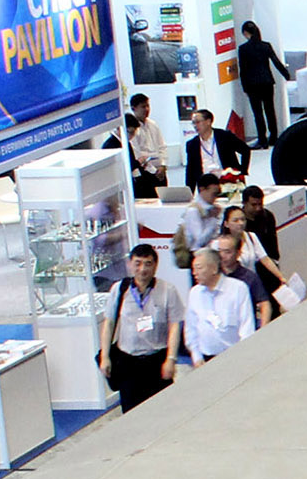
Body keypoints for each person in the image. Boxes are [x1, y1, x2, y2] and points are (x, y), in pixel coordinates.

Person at [99, 243, 182, 410]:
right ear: (130, 264)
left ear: (155, 266)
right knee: (131, 412)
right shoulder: (119, 290)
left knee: (163, 410)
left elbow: (174, 326)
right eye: (137, 263)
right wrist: (105, 356)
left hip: (156, 360)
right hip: (128, 362)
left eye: (148, 264)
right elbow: (109, 323)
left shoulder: (167, 290)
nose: (142, 269)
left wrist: (171, 359)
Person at [178, 247, 261, 367]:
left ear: (214, 268)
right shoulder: (194, 293)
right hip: (205, 359)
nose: (194, 273)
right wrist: (196, 357)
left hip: (234, 359)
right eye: (193, 269)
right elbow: (190, 329)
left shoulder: (238, 288)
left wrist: (243, 358)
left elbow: (246, 327)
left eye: (199, 268)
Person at [215, 203, 294, 314]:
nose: (240, 223)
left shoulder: (251, 237)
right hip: (231, 286)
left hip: (250, 284)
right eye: (235, 220)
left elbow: (265, 259)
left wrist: (281, 277)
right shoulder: (219, 243)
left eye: (243, 219)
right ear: (226, 224)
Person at [234, 21, 285, 144]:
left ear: (245, 33)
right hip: (267, 82)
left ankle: (262, 139)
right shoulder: (266, 46)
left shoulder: (243, 49)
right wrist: (286, 74)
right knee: (270, 110)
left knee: (257, 113)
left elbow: (243, 70)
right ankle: (273, 137)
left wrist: (244, 87)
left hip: (252, 85)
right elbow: (276, 62)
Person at [182, 108, 247, 185]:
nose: (195, 126)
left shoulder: (224, 136)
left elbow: (245, 150)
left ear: (208, 121)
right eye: (193, 123)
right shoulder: (192, 144)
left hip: (228, 179)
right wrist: (189, 192)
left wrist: (242, 171)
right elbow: (190, 170)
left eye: (198, 122)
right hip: (206, 184)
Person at [175, 173, 226, 262]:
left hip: (212, 253)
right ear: (202, 190)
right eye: (213, 194)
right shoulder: (193, 211)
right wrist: (213, 219)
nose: (215, 198)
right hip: (198, 256)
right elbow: (200, 241)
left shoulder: (213, 208)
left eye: (217, 194)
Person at [122, 93, 164, 199]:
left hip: (159, 170)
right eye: (143, 106)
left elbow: (162, 146)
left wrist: (163, 166)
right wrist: (154, 171)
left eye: (147, 106)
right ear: (134, 108)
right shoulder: (132, 129)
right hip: (146, 172)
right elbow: (137, 154)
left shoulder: (153, 124)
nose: (146, 109)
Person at [239, 184, 283, 266]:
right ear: (244, 203)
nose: (258, 208)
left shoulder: (267, 216)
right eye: (254, 205)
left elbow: (272, 242)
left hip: (268, 261)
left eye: (260, 204)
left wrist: (274, 261)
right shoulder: (238, 220)